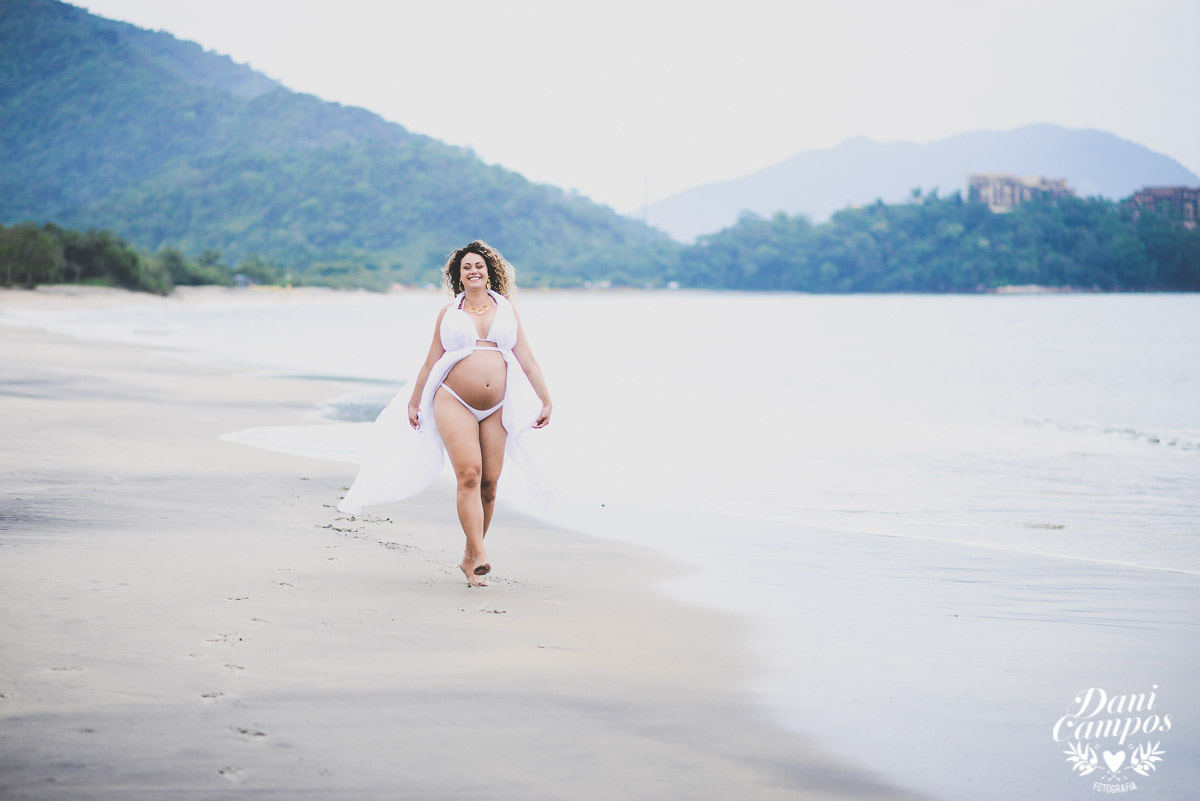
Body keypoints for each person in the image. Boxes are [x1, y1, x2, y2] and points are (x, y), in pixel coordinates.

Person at [338, 241, 553, 587]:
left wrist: (545, 399)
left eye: (479, 266)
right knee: (469, 474)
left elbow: (526, 358)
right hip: (453, 399)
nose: (473, 271)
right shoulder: (449, 313)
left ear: (490, 271)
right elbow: (431, 361)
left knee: (490, 484)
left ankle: (470, 556)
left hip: (499, 405)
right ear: (458, 275)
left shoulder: (507, 309)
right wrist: (414, 401)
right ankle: (481, 554)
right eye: (466, 266)